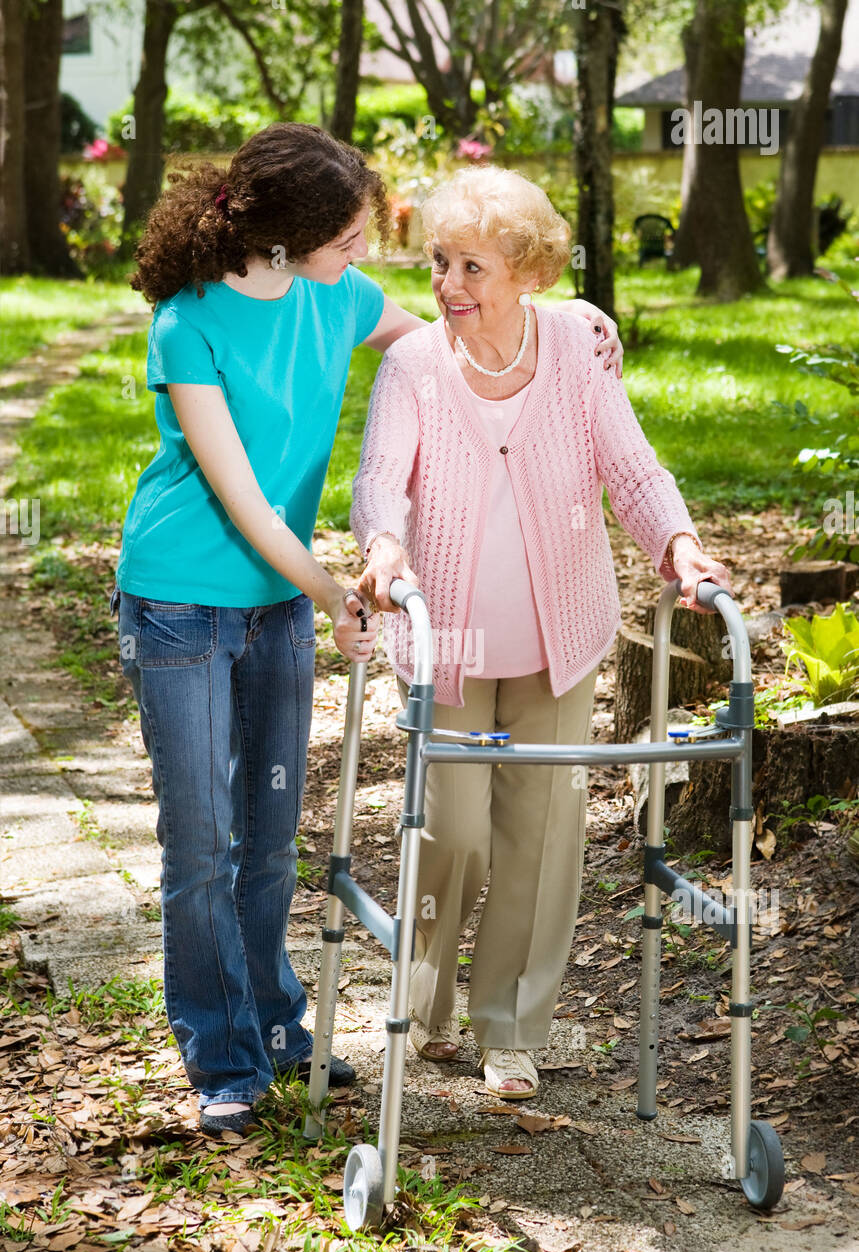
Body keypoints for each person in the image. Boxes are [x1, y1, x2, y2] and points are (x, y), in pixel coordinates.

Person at [112, 125, 623, 1137]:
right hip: (179, 597)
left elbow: (465, 332)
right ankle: (221, 1058)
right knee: (201, 842)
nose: (366, 255)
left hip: (275, 605)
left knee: (267, 838)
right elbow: (246, 501)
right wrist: (340, 587)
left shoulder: (335, 297)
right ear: (292, 233)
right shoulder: (188, 321)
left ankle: (280, 1025)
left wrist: (574, 321)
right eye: (348, 236)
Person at [351, 165, 733, 1102]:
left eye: (471, 266)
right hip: (449, 643)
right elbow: (378, 479)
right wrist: (384, 547)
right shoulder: (414, 367)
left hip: (557, 633)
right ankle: (425, 1001)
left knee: (541, 833)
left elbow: (630, 468)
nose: (447, 286)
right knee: (453, 833)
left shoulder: (575, 350)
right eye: (439, 263)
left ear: (524, 269)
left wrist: (678, 544)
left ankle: (510, 1029)